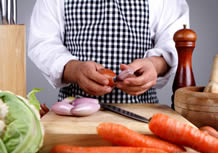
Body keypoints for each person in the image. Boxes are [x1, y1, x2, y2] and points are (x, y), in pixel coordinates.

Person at [28, 0, 189, 104]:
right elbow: (43, 42)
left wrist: (153, 65)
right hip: (75, 112)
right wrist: (75, 69)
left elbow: (173, 43)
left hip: (142, 113)